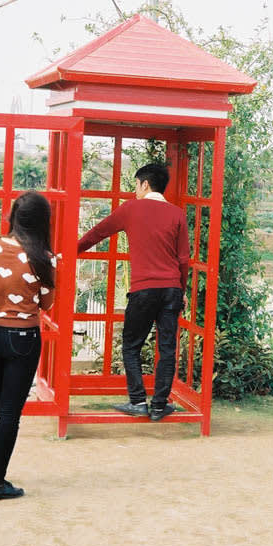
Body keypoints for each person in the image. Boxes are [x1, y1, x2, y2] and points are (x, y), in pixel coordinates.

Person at [78, 162, 189, 422]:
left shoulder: (131, 209)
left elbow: (97, 233)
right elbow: (183, 259)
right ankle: (160, 406)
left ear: (145, 184)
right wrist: (181, 290)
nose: (135, 191)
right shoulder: (177, 214)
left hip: (144, 290)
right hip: (171, 288)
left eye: (136, 185)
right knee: (167, 348)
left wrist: (66, 253)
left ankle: (138, 401)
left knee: (131, 345)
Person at [0, 191, 55, 502]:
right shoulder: (43, 256)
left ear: (13, 218)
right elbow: (46, 303)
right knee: (8, 413)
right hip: (23, 339)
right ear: (43, 222)